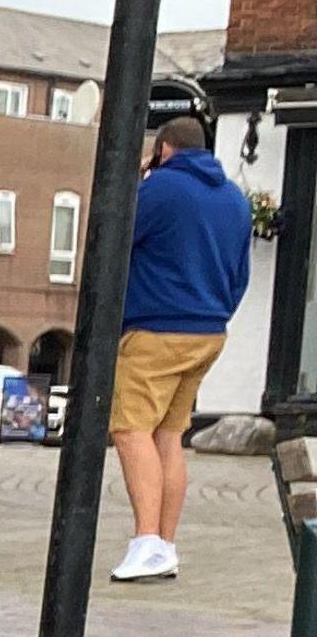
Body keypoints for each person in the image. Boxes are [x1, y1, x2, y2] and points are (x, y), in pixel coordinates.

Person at [108, 115, 252, 583]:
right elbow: (241, 275)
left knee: (130, 431)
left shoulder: (161, 189)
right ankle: (165, 545)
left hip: (155, 330)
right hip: (208, 331)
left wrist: (136, 182)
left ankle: (146, 542)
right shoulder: (234, 198)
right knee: (168, 436)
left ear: (165, 148)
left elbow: (112, 241)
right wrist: (217, 311)